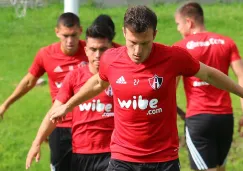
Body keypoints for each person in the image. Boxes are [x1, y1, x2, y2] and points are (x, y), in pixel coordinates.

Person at [48, 6, 243, 171]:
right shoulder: (111, 58)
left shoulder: (173, 57)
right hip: (123, 157)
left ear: (154, 35)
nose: (137, 51)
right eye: (132, 43)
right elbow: (99, 82)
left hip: (163, 159)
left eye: (145, 43)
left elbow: (209, 74)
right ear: (124, 33)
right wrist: (67, 106)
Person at [0, 12, 88, 171]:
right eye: (65, 35)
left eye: (74, 35)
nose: (70, 41)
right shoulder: (46, 54)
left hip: (87, 123)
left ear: (80, 31)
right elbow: (28, 81)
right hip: (59, 124)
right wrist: (6, 104)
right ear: (57, 32)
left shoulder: (92, 51)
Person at [26, 23, 120, 171]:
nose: (97, 55)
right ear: (86, 50)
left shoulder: (120, 76)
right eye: (93, 49)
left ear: (111, 50)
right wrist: (36, 142)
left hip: (112, 153)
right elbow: (54, 112)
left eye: (103, 49)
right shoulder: (74, 77)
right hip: (81, 153)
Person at [174, 2, 243, 171]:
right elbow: (241, 76)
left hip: (199, 119)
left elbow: (170, 89)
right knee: (220, 168)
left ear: (189, 22)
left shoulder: (180, 48)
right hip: (225, 118)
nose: (178, 29)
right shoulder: (227, 42)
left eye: (178, 24)